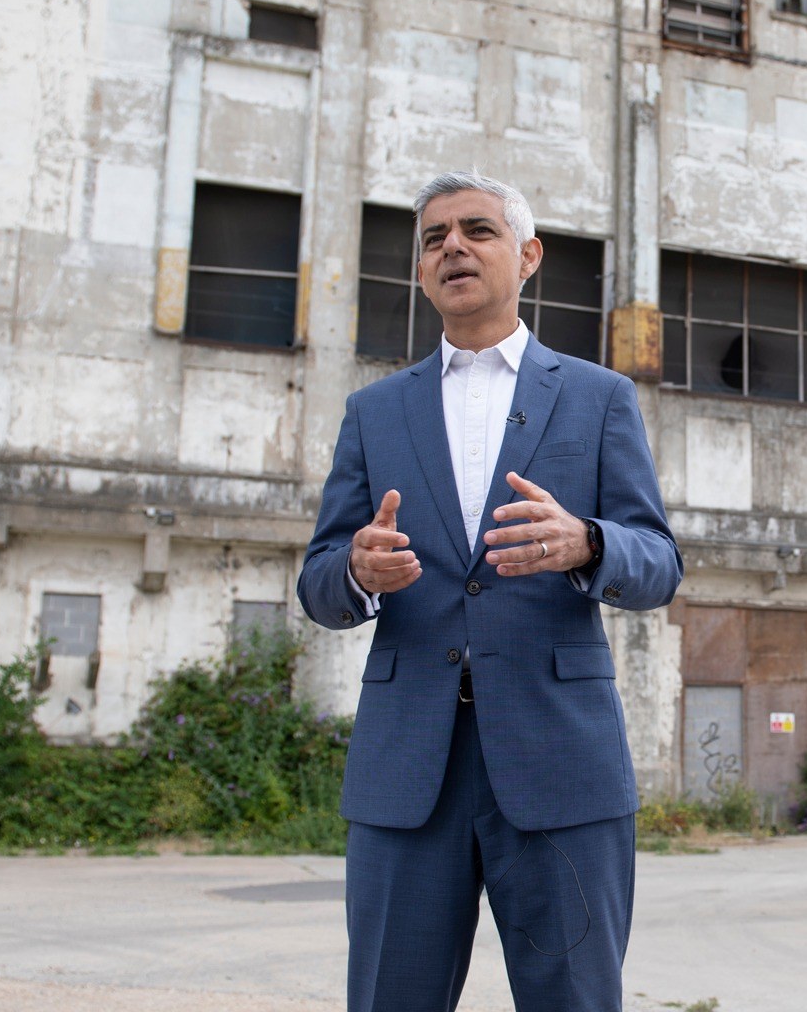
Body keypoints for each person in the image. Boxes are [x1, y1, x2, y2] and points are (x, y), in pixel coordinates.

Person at [297, 171, 682, 1012]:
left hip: (559, 762)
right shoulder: (375, 413)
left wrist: (586, 542)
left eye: (477, 230)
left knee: (574, 999)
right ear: (421, 270)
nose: (453, 249)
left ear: (528, 256)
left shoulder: (598, 398)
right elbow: (318, 581)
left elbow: (658, 562)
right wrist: (358, 572)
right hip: (410, 769)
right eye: (434, 238)